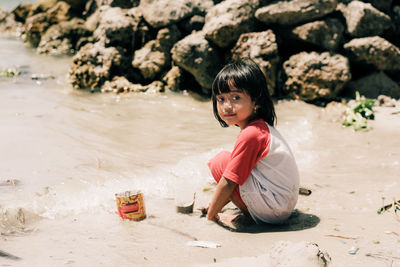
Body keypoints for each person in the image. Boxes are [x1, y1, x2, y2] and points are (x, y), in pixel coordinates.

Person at [206, 58, 300, 225]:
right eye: (221, 99)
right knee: (230, 163)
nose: (227, 106)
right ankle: (249, 210)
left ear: (256, 102)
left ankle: (249, 216)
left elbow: (230, 181)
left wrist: (211, 216)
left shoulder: (251, 134)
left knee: (220, 161)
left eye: (236, 97)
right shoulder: (261, 128)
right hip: (282, 205)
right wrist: (217, 205)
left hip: (273, 210)